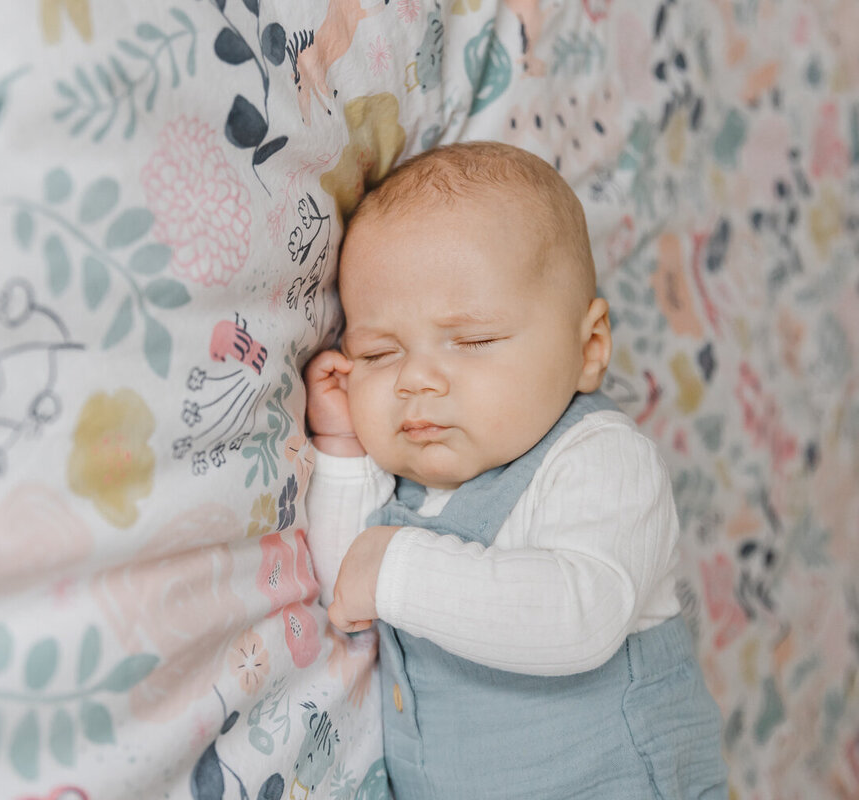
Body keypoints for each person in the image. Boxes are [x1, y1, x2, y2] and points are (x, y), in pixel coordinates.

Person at [304, 141, 728, 798]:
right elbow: (350, 589)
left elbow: (579, 615)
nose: (416, 379)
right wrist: (343, 453)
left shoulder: (599, 461)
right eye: (380, 353)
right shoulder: (419, 484)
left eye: (471, 342)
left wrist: (396, 568)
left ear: (588, 350)